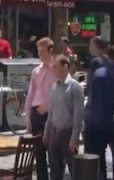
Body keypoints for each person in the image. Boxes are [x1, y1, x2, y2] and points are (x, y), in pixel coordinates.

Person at [84, 47, 114, 180]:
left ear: (108, 57)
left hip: (98, 122)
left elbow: (91, 96)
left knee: (99, 156)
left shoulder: (98, 74)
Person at [43, 56, 84, 180]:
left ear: (65, 67)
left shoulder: (75, 87)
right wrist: (46, 131)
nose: (53, 69)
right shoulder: (54, 86)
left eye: (56, 66)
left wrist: (74, 138)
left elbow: (78, 115)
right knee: (55, 170)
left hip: (68, 133)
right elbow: (51, 110)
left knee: (73, 170)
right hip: (54, 132)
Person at [24, 37, 58, 180]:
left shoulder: (57, 70)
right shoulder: (36, 71)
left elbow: (63, 93)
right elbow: (31, 94)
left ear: (50, 51)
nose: (40, 54)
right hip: (36, 113)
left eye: (42, 51)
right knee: (39, 153)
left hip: (51, 115)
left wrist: (49, 107)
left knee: (53, 153)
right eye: (38, 51)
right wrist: (28, 117)